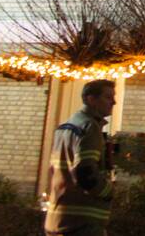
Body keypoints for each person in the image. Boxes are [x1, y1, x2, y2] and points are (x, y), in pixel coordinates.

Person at [45, 79, 117, 236]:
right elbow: (85, 173)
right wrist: (108, 192)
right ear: (91, 99)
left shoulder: (65, 127)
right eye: (108, 97)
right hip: (82, 223)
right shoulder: (90, 127)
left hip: (59, 217)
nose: (114, 102)